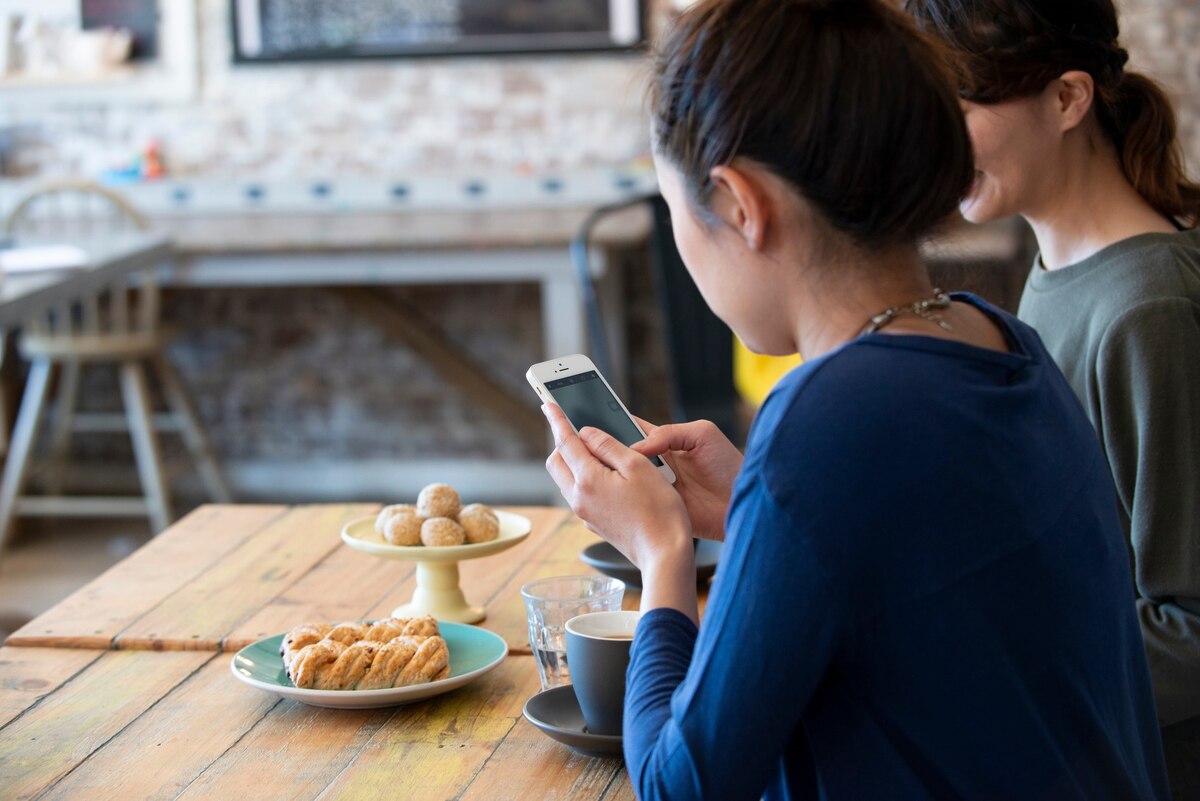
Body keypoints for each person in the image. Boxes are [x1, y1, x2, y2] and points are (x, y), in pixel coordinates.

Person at [538, 0, 1170, 798]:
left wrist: (661, 550)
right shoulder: (1003, 341)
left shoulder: (825, 417)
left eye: (676, 212)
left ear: (740, 205)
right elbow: (925, 603)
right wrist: (753, 510)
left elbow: (680, 784)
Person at [904, 1, 1200, 792]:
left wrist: (987, 662)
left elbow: (1191, 628)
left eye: (958, 109)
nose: (930, 144)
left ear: (1068, 99)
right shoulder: (1059, 271)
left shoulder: (1148, 311)